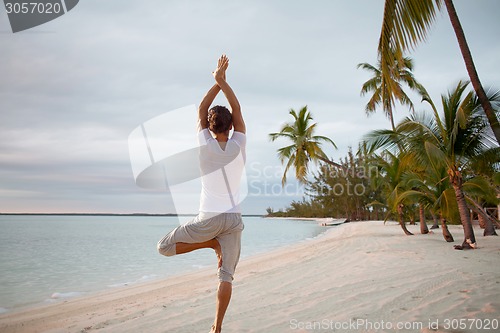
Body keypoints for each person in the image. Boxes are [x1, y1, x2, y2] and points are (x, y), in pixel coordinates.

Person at [157, 54, 246, 333]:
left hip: (208, 219)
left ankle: (208, 244)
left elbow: (201, 108)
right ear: (230, 127)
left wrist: (216, 82)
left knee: (164, 247)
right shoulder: (239, 144)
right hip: (233, 220)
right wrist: (223, 82)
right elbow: (237, 108)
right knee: (226, 276)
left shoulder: (204, 144)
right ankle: (217, 327)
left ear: (209, 127)